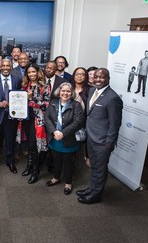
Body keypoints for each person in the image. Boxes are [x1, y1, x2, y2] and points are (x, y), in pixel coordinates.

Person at [76, 68, 123, 204]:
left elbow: (115, 124)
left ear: (108, 78)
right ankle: (92, 189)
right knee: (94, 166)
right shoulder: (92, 91)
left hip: (103, 142)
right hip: (91, 137)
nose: (97, 79)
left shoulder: (113, 98)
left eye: (101, 77)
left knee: (101, 168)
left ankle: (96, 195)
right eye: (96, 77)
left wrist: (109, 143)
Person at [44, 82, 85, 195]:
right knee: (56, 159)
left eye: (68, 91)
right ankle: (56, 177)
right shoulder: (53, 102)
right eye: (63, 91)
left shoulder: (76, 105)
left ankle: (68, 183)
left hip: (68, 139)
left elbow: (78, 122)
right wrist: (54, 131)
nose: (65, 93)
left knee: (68, 162)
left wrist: (62, 133)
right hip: (54, 138)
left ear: (71, 93)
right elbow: (47, 118)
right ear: (59, 92)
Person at [0, 59, 22, 175]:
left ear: (11, 67)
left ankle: (10, 161)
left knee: (10, 140)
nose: (6, 68)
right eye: (4, 65)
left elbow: (19, 97)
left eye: (8, 66)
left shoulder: (17, 80)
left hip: (12, 117)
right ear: (0, 66)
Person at [21, 63, 50, 184]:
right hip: (26, 118)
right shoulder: (24, 85)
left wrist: (32, 100)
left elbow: (47, 104)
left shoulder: (44, 86)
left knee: (34, 146)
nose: (32, 74)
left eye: (34, 72)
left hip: (38, 119)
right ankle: (29, 166)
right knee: (29, 144)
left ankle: (35, 171)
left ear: (38, 72)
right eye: (29, 72)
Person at [72, 67, 90, 167]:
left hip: (83, 123)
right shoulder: (68, 88)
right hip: (68, 122)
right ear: (73, 75)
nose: (79, 76)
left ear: (86, 76)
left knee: (79, 147)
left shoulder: (90, 90)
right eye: (77, 74)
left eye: (82, 74)